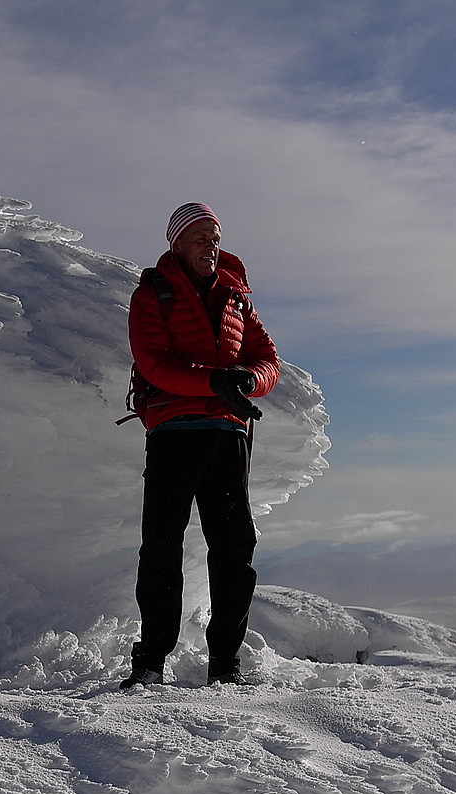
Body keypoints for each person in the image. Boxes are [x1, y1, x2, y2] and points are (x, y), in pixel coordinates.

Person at [121, 202, 281, 688]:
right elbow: (153, 363)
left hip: (228, 435)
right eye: (201, 237)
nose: (212, 246)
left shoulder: (236, 297)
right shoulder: (153, 294)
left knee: (235, 550)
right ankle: (151, 663)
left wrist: (247, 381)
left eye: (215, 237)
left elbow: (268, 359)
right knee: (162, 548)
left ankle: (226, 666)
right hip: (173, 432)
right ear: (177, 242)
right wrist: (217, 382)